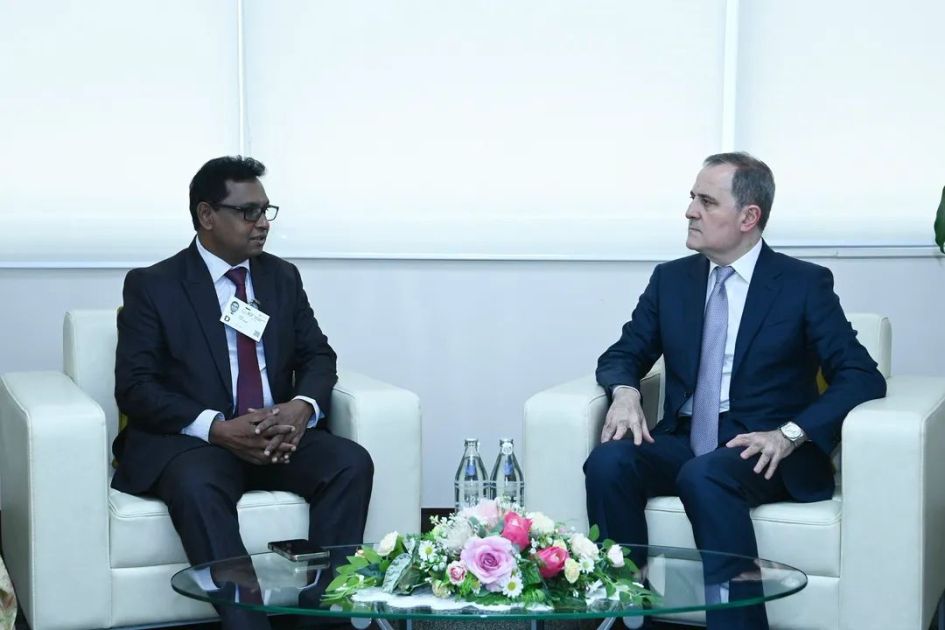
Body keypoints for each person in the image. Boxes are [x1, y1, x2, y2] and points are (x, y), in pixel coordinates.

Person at [584, 152, 886, 629]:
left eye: (706, 202)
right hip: (688, 437)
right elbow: (623, 353)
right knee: (609, 460)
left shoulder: (803, 284)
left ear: (749, 217)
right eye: (692, 198)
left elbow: (861, 374)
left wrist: (790, 434)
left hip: (766, 447)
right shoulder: (671, 280)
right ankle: (627, 611)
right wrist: (625, 392)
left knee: (705, 476)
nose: (690, 211)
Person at [112, 156, 374, 630]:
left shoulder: (281, 277)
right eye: (248, 212)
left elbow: (318, 356)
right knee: (195, 484)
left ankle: (321, 621)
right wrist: (215, 427)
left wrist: (300, 408)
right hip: (200, 443)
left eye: (266, 211)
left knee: (349, 463)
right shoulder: (154, 285)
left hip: (277, 434)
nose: (262, 223)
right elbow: (135, 387)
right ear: (207, 215)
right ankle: (247, 625)